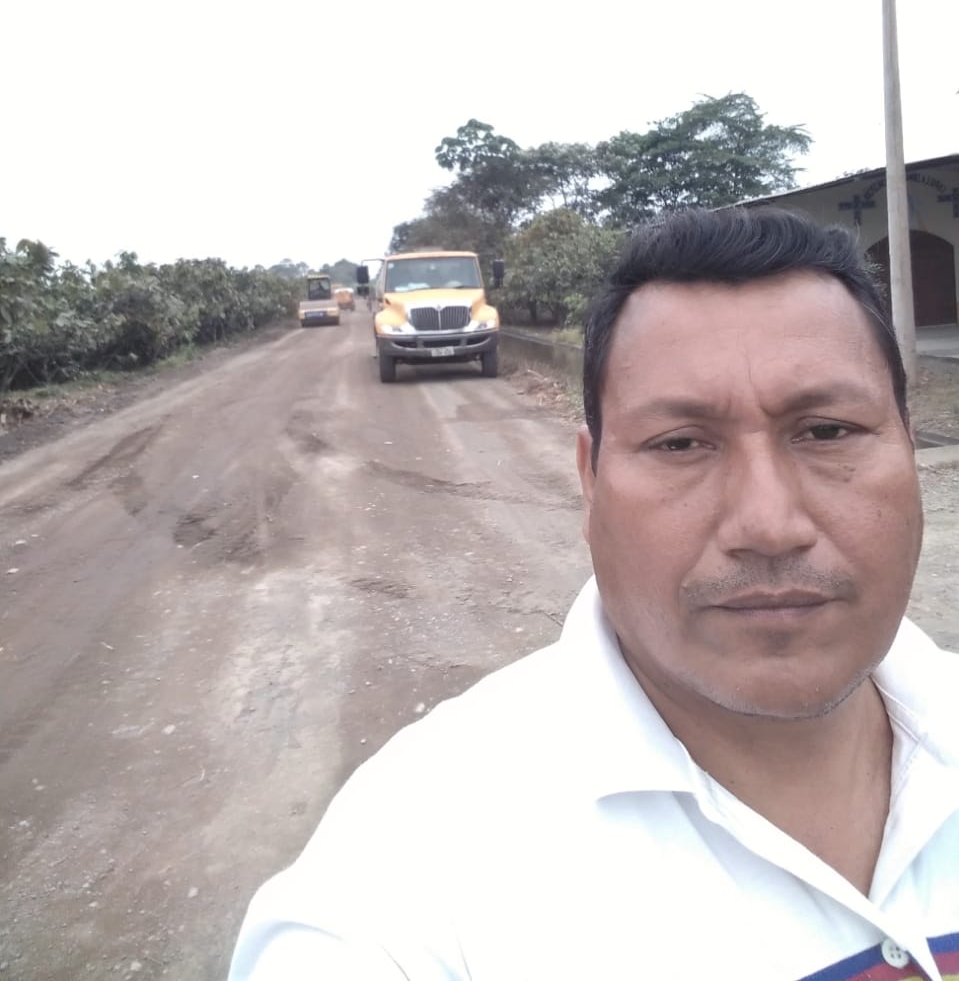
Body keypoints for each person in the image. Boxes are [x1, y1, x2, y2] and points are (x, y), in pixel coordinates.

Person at [228, 206, 959, 981]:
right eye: (680, 444)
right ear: (590, 479)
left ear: (909, 447)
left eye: (827, 431)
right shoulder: (408, 865)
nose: (769, 525)